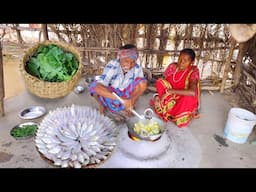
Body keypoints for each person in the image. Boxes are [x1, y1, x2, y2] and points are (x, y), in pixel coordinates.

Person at [89, 44, 147, 120]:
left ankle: (129, 106)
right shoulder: (113, 65)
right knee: (94, 86)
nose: (129, 65)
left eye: (133, 62)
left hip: (126, 94)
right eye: (126, 61)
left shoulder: (137, 68)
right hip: (112, 93)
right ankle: (102, 105)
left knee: (142, 83)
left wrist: (131, 101)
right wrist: (120, 99)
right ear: (120, 58)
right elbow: (98, 86)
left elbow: (139, 87)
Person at [150, 48, 200, 128]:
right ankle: (167, 107)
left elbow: (192, 92)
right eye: (180, 59)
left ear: (192, 62)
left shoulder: (193, 71)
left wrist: (171, 91)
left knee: (189, 98)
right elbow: (162, 82)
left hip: (181, 98)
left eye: (185, 60)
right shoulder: (172, 67)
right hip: (169, 97)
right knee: (160, 82)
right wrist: (156, 96)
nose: (181, 62)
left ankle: (176, 114)